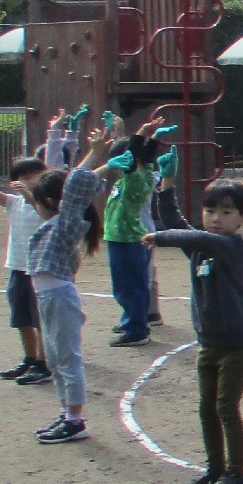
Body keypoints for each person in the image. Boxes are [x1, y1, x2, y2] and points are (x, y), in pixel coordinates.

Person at [146, 179, 243, 484]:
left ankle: (237, 475)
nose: (216, 218)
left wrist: (159, 237)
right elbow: (177, 222)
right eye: (210, 211)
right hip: (208, 343)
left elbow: (192, 235)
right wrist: (167, 188)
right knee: (207, 409)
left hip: (236, 342)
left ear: (242, 218)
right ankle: (215, 470)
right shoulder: (200, 247)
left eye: (226, 212)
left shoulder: (234, 246)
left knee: (226, 407)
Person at [26, 122, 119, 445]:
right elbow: (65, 183)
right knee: (54, 360)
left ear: (51, 202)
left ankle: (76, 420)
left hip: (59, 298)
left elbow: (73, 189)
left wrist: (94, 154)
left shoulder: (64, 224)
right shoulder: (55, 223)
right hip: (47, 299)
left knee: (67, 359)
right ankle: (67, 413)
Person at [0, 143, 51, 385]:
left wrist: (29, 194)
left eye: (33, 175)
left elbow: (45, 213)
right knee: (22, 319)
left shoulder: (48, 203)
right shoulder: (14, 202)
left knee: (41, 320)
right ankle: (30, 358)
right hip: (18, 268)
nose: (28, 180)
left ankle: (44, 364)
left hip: (41, 271)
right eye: (23, 176)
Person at [102, 116, 168, 347]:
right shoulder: (145, 174)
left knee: (127, 287)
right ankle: (135, 321)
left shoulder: (134, 180)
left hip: (125, 240)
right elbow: (146, 158)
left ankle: (135, 330)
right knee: (135, 285)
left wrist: (141, 133)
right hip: (128, 239)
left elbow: (133, 156)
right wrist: (152, 139)